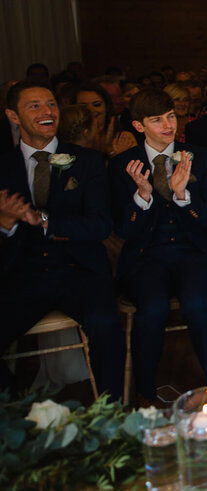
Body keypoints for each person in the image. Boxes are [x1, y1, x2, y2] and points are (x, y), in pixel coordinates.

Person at [0, 81, 125, 398]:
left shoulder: (87, 162)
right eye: (35, 106)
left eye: (51, 103)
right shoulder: (3, 167)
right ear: (13, 116)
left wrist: (42, 220)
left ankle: (112, 413)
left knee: (106, 324)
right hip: (22, 275)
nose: (47, 112)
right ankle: (15, 414)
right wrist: (6, 223)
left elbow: (100, 225)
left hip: (79, 271)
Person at [110, 89, 207, 405]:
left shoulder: (201, 156)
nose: (167, 124)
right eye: (157, 119)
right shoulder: (123, 165)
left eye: (171, 116)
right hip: (147, 255)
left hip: (194, 252)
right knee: (152, 308)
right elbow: (122, 229)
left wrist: (184, 197)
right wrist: (143, 197)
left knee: (198, 304)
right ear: (139, 126)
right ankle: (146, 391)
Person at [69, 82, 137, 157]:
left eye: (96, 105)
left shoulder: (124, 138)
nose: (91, 110)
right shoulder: (69, 140)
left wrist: (112, 152)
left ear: (106, 106)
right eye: (83, 106)